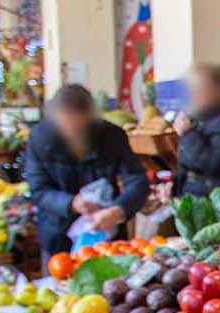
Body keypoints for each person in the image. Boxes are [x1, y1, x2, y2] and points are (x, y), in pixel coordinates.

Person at [23, 84, 149, 259]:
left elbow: (137, 181)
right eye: (67, 127)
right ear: (55, 118)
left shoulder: (112, 136)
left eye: (80, 127)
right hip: (58, 234)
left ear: (91, 117)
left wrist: (118, 210)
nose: (74, 133)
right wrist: (71, 203)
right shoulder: (40, 138)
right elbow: (38, 189)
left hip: (106, 235)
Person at [174, 63, 220, 198]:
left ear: (217, 91)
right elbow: (187, 165)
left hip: (215, 198)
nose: (192, 94)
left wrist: (188, 134)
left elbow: (215, 165)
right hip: (193, 195)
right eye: (190, 89)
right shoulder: (199, 119)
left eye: (198, 89)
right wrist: (174, 186)